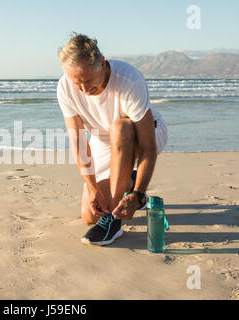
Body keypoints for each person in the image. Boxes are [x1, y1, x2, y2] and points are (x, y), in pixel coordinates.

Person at [56, 33, 168, 246]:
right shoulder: (64, 88)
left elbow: (147, 147)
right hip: (104, 142)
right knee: (89, 215)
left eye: (88, 81)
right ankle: (130, 179)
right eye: (77, 83)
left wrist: (137, 195)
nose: (85, 90)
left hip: (143, 134)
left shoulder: (129, 79)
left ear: (103, 64)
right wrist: (91, 188)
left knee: (120, 126)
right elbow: (79, 143)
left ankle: (114, 221)